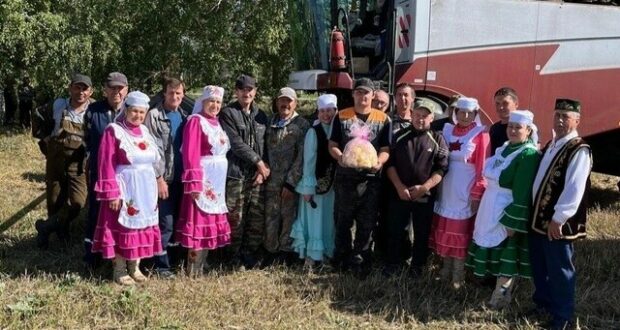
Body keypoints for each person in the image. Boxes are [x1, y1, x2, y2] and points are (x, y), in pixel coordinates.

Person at [466, 110, 540, 309]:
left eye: (518, 127)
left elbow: (523, 191)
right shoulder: (505, 148)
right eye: (511, 126)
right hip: (490, 204)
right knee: (493, 249)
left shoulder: (528, 154)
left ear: (528, 130)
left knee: (507, 253)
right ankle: (494, 293)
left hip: (506, 209)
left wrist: (513, 221)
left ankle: (500, 299)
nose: (513, 131)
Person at [529, 99, 591, 330]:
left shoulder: (579, 149)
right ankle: (543, 304)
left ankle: (562, 317)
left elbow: (574, 187)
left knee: (560, 269)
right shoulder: (553, 143)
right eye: (557, 116)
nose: (561, 120)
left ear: (577, 120)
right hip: (539, 219)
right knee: (541, 266)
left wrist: (559, 218)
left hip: (557, 222)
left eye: (566, 116)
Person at [91, 91, 162, 285]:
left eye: (141, 112)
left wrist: (158, 180)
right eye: (134, 111)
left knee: (140, 226)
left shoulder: (145, 132)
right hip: (126, 188)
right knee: (121, 227)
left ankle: (135, 267)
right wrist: (112, 193)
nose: (138, 116)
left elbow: (154, 163)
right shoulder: (113, 131)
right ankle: (120, 269)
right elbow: (105, 164)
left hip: (145, 189)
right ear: (126, 110)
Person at [328, 78, 391, 277]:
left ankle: (361, 261)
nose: (362, 96)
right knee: (342, 221)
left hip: (371, 179)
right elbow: (333, 144)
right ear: (353, 94)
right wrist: (341, 157)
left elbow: (386, 148)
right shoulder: (342, 116)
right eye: (358, 92)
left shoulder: (383, 119)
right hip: (346, 178)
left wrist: (379, 162)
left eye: (366, 93)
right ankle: (341, 260)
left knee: (367, 223)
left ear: (373, 95)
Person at [384, 99, 449, 277]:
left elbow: (441, 169)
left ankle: (417, 267)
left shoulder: (438, 139)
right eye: (418, 115)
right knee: (396, 230)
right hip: (399, 193)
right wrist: (398, 186)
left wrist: (425, 187)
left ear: (432, 117)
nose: (421, 119)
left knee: (422, 233)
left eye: (425, 116)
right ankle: (394, 263)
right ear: (411, 115)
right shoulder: (399, 136)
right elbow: (390, 164)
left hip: (424, 195)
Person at [431, 97, 489, 288]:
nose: (464, 116)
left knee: (460, 233)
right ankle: (445, 270)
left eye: (469, 113)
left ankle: (458, 276)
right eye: (461, 112)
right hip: (446, 189)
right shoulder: (446, 131)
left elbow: (482, 168)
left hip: (464, 191)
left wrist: (477, 193)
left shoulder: (480, 135)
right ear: (455, 113)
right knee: (445, 230)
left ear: (475, 114)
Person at [175, 86, 232, 276]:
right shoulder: (195, 122)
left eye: (218, 102)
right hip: (203, 180)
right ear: (203, 102)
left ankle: (203, 262)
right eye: (211, 101)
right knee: (198, 222)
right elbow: (190, 154)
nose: (215, 105)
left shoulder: (217, 123)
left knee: (209, 222)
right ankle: (193, 267)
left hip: (217, 184)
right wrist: (194, 182)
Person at [35, 74, 94, 249]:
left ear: (91, 91)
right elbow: (38, 114)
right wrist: (44, 139)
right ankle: (59, 232)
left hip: (79, 163)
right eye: (77, 87)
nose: (81, 92)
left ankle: (45, 226)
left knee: (78, 202)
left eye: (85, 88)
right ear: (70, 88)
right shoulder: (58, 104)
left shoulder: (94, 109)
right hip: (55, 159)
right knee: (54, 200)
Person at [219, 74, 269, 269]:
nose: (246, 93)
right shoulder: (228, 113)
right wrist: (258, 162)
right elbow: (236, 144)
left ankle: (249, 255)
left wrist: (262, 168)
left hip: (257, 175)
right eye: (242, 89)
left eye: (250, 89)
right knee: (235, 218)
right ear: (236, 91)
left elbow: (264, 143)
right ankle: (232, 257)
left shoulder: (261, 115)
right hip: (236, 174)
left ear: (255, 92)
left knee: (255, 217)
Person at [143, 77, 189, 278]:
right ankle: (160, 266)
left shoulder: (186, 117)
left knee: (178, 221)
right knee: (165, 223)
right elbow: (151, 150)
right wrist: (159, 178)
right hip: (165, 180)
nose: (175, 97)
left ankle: (173, 260)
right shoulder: (153, 116)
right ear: (164, 93)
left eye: (178, 93)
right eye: (171, 92)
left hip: (182, 179)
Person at [83, 72, 129, 268]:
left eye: (120, 88)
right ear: (105, 90)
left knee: (124, 213)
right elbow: (85, 139)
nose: (116, 92)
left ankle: (121, 256)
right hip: (100, 174)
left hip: (126, 176)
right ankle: (92, 258)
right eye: (112, 88)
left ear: (127, 90)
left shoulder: (133, 111)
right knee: (95, 213)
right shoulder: (93, 111)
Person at [290, 94, 338, 269]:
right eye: (322, 111)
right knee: (314, 220)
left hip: (331, 186)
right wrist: (308, 188)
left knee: (328, 221)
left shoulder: (336, 131)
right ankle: (311, 257)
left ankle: (325, 254)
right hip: (315, 184)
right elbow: (309, 161)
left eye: (329, 111)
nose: (326, 115)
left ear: (335, 111)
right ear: (318, 113)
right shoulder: (313, 132)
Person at [263, 87, 310, 265]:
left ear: (295, 103)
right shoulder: (270, 122)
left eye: (289, 101)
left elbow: (302, 157)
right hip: (270, 180)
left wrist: (291, 182)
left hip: (290, 181)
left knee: (289, 216)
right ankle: (270, 250)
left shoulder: (302, 125)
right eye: (282, 100)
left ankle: (286, 251)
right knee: (270, 216)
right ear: (277, 102)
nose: (285, 104)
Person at [489, 87, 519, 155]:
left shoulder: (525, 128)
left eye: (505, 103)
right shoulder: (494, 128)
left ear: (516, 104)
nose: (501, 107)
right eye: (497, 103)